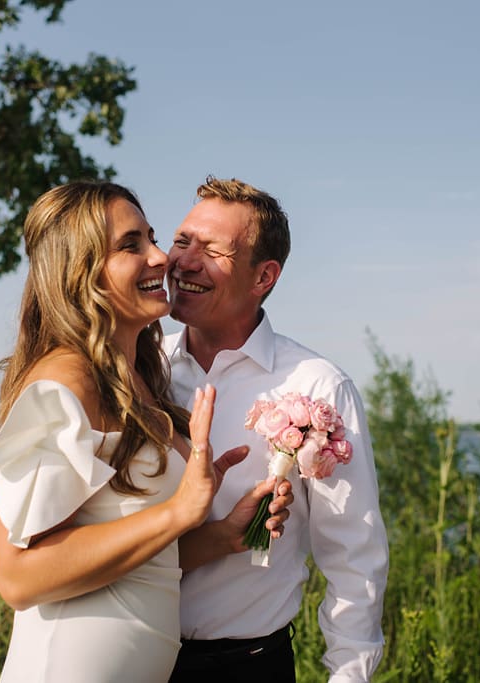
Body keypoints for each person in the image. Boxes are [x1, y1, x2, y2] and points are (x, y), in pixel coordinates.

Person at [0, 180, 293, 682]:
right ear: (80, 272)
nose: (162, 257)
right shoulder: (65, 381)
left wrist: (223, 536)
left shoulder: (136, 378)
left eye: (152, 238)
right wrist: (177, 511)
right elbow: (17, 576)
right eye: (130, 245)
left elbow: (139, 564)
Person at [164, 177, 390, 683]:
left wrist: (347, 676)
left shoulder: (318, 387)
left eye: (213, 250)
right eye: (182, 241)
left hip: (247, 667)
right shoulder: (137, 365)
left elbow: (354, 558)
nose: (185, 262)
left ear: (263, 276)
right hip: (129, 660)